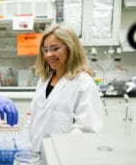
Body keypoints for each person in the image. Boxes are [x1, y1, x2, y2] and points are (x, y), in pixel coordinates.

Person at [29, 24, 103, 152]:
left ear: (70, 48)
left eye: (55, 49)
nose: (49, 55)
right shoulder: (44, 80)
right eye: (45, 50)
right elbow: (35, 117)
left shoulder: (83, 82)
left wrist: (63, 151)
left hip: (65, 157)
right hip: (38, 152)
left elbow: (86, 128)